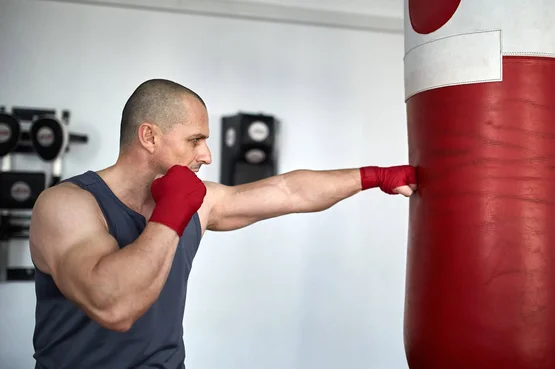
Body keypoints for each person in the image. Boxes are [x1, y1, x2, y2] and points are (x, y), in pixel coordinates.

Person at [28, 79, 417, 369]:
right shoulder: (66, 205)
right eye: (195, 140)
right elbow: (114, 306)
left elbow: (289, 191)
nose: (207, 155)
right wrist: (172, 212)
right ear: (149, 136)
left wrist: (374, 176)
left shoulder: (200, 202)